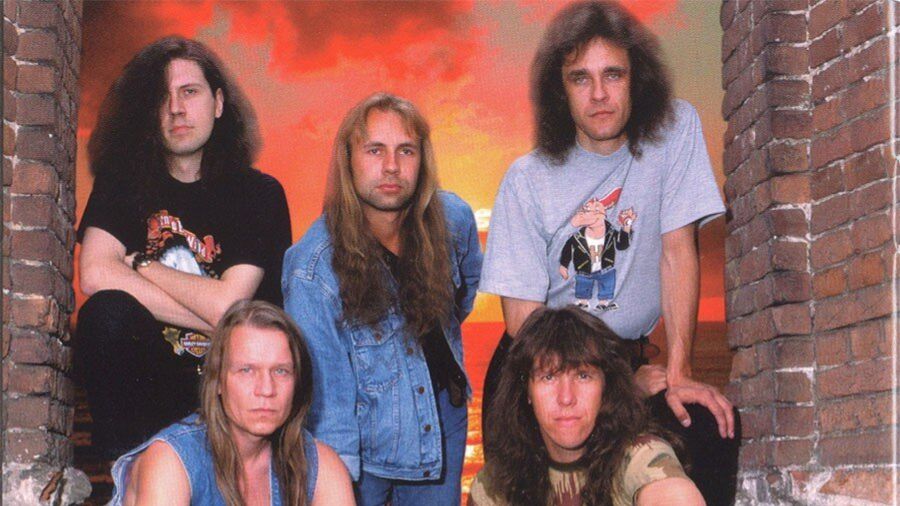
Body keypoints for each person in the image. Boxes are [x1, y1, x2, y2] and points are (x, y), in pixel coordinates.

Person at [478, 2, 739, 503]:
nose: (599, 94)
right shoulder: (527, 179)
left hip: (627, 361)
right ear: (560, 91)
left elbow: (678, 251)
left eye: (613, 75)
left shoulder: (673, 130)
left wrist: (680, 373)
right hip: (544, 367)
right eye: (580, 78)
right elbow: (523, 323)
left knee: (707, 428)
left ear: (637, 80)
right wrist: (605, 381)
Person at [76, 36, 292, 460]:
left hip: (231, 385)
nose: (176, 108)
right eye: (163, 96)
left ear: (218, 103)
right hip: (151, 388)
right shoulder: (121, 184)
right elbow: (95, 274)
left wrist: (141, 264)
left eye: (189, 92)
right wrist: (217, 320)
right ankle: (128, 471)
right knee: (105, 313)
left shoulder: (258, 194)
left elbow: (229, 304)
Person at [283, 92, 482, 505]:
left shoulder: (454, 220)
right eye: (375, 150)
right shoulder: (312, 270)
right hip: (364, 445)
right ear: (348, 160)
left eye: (405, 150)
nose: (391, 166)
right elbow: (327, 407)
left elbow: (461, 298)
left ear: (422, 159)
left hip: (442, 424)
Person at [108, 300, 354, 505]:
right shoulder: (171, 461)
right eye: (246, 370)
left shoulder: (320, 465)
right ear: (217, 381)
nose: (266, 389)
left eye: (281, 371)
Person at [469, 306, 704, 506]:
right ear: (527, 391)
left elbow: (671, 493)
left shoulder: (639, 456)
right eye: (548, 377)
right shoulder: (496, 484)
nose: (566, 398)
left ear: (605, 386)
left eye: (583, 376)